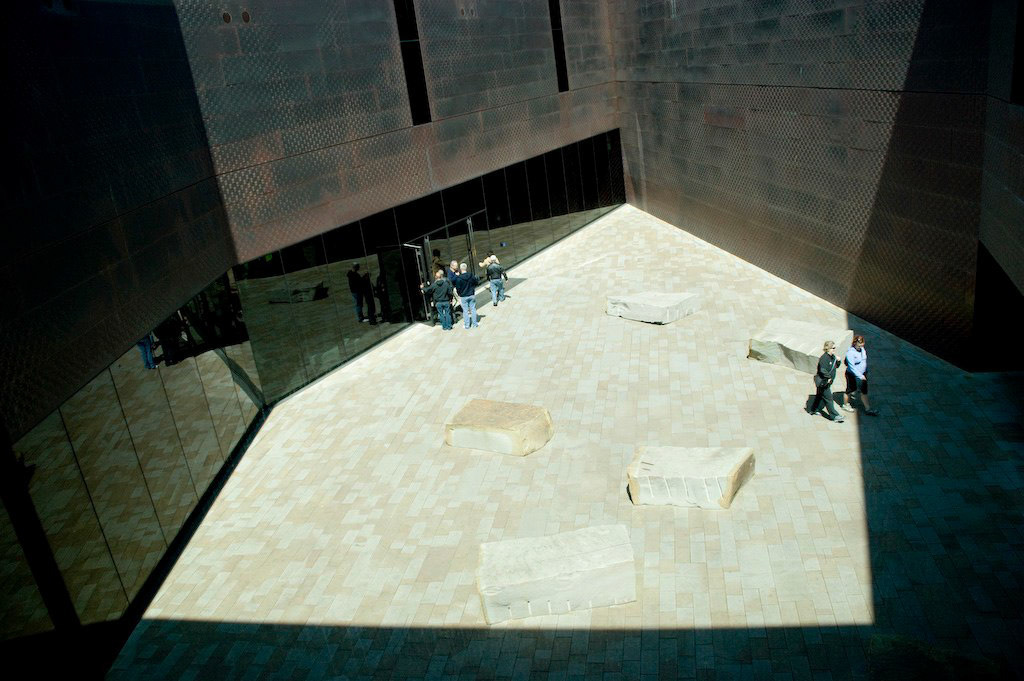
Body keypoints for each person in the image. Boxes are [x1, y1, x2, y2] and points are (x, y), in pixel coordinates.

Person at [808, 339, 844, 422]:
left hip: (826, 382)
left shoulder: (833, 357)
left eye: (835, 348)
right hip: (824, 382)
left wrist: (838, 361)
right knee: (829, 399)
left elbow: (836, 367)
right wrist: (828, 377)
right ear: (828, 348)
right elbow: (822, 370)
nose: (834, 349)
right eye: (833, 348)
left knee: (819, 396)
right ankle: (834, 416)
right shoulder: (824, 358)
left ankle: (814, 409)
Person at [841, 334, 878, 415]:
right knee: (850, 389)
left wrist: (865, 371)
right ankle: (845, 404)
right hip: (852, 375)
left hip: (863, 374)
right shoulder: (850, 353)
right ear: (855, 343)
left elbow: (863, 360)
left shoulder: (862, 349)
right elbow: (851, 367)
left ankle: (868, 408)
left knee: (864, 391)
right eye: (859, 344)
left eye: (862, 344)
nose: (861, 346)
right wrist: (860, 376)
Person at [453, 262, 479, 329]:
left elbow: (458, 288)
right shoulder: (471, 275)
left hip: (463, 296)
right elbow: (476, 282)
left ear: (460, 269)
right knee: (473, 309)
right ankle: (475, 324)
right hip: (471, 294)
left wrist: (459, 294)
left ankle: (467, 325)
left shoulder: (459, 278)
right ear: (466, 268)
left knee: (465, 310)